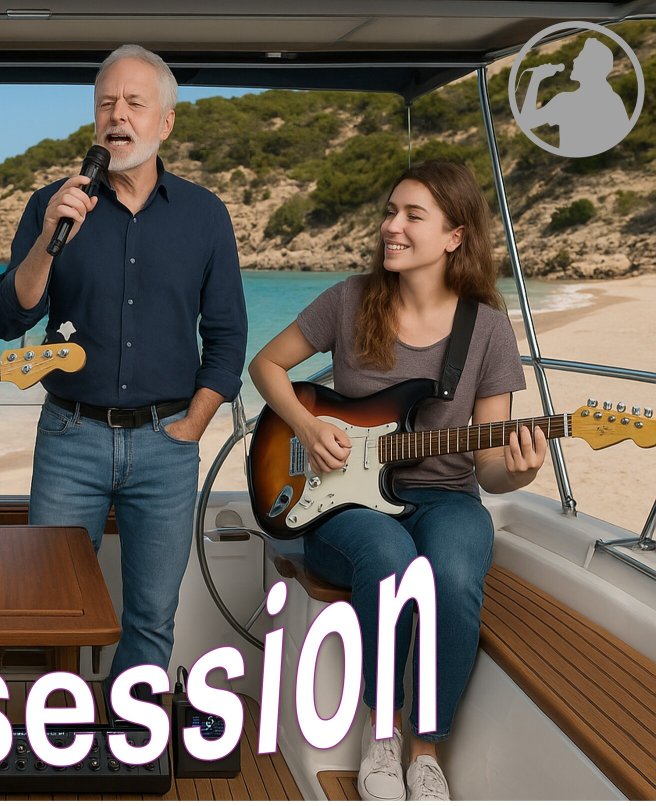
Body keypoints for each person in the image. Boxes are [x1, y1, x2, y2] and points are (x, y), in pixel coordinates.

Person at [248, 160, 548, 801]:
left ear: (454, 236)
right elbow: (267, 365)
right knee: (387, 558)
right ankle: (379, 735)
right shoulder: (350, 300)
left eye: (413, 215)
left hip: (445, 497)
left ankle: (423, 749)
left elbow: (492, 469)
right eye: (391, 211)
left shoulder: (487, 328)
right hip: (339, 504)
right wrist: (303, 425)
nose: (393, 226)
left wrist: (518, 470)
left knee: (454, 573)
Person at [0, 44, 247, 697]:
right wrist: (51, 239)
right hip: (70, 440)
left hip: (168, 446)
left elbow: (226, 335)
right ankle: (63, 738)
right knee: (53, 607)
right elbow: (9, 318)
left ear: (165, 123)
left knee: (152, 619)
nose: (117, 116)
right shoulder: (54, 204)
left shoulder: (205, 216)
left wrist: (196, 421)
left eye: (134, 103)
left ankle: (132, 747)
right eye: (106, 103)